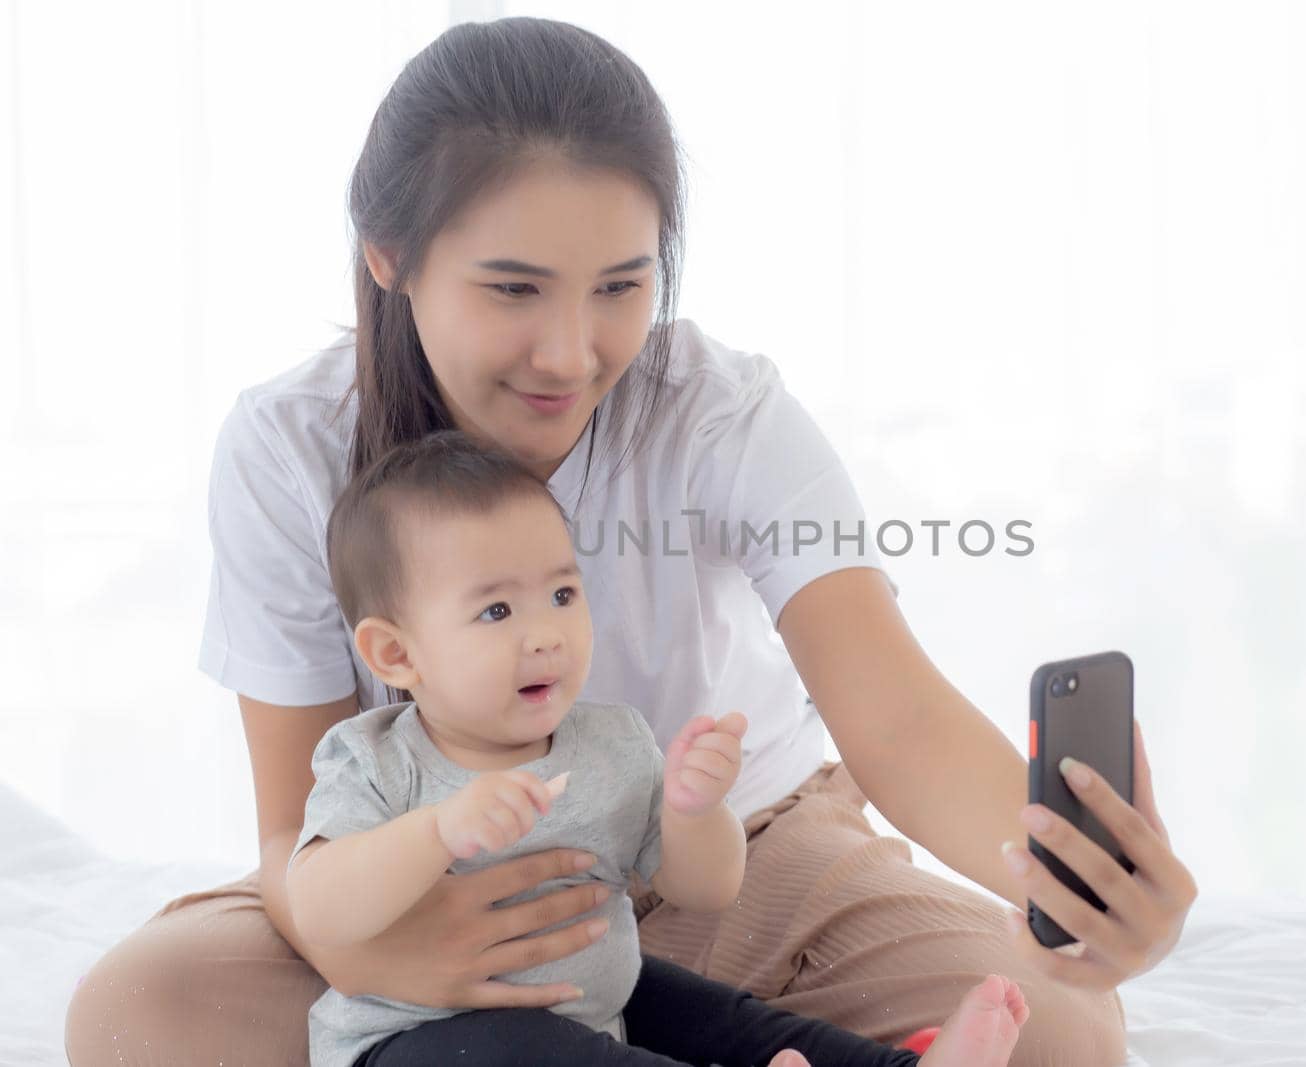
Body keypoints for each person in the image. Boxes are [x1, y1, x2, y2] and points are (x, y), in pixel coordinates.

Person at [64, 16, 1197, 1067]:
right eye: (513, 287)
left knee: (1055, 1030)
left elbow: (893, 718)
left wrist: (1090, 892)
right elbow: (290, 832)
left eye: (621, 286)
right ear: (387, 256)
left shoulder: (718, 409)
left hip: (745, 858)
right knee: (138, 1010)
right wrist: (369, 952)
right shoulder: (288, 446)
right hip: (445, 889)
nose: (569, 352)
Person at [291, 429, 1029, 1066]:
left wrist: (695, 810)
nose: (545, 631)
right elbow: (321, 905)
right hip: (421, 1041)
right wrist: (437, 831)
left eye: (562, 594)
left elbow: (704, 889)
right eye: (495, 609)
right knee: (522, 1049)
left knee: (712, 1009)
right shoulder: (374, 759)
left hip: (590, 997)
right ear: (394, 654)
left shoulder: (610, 741)